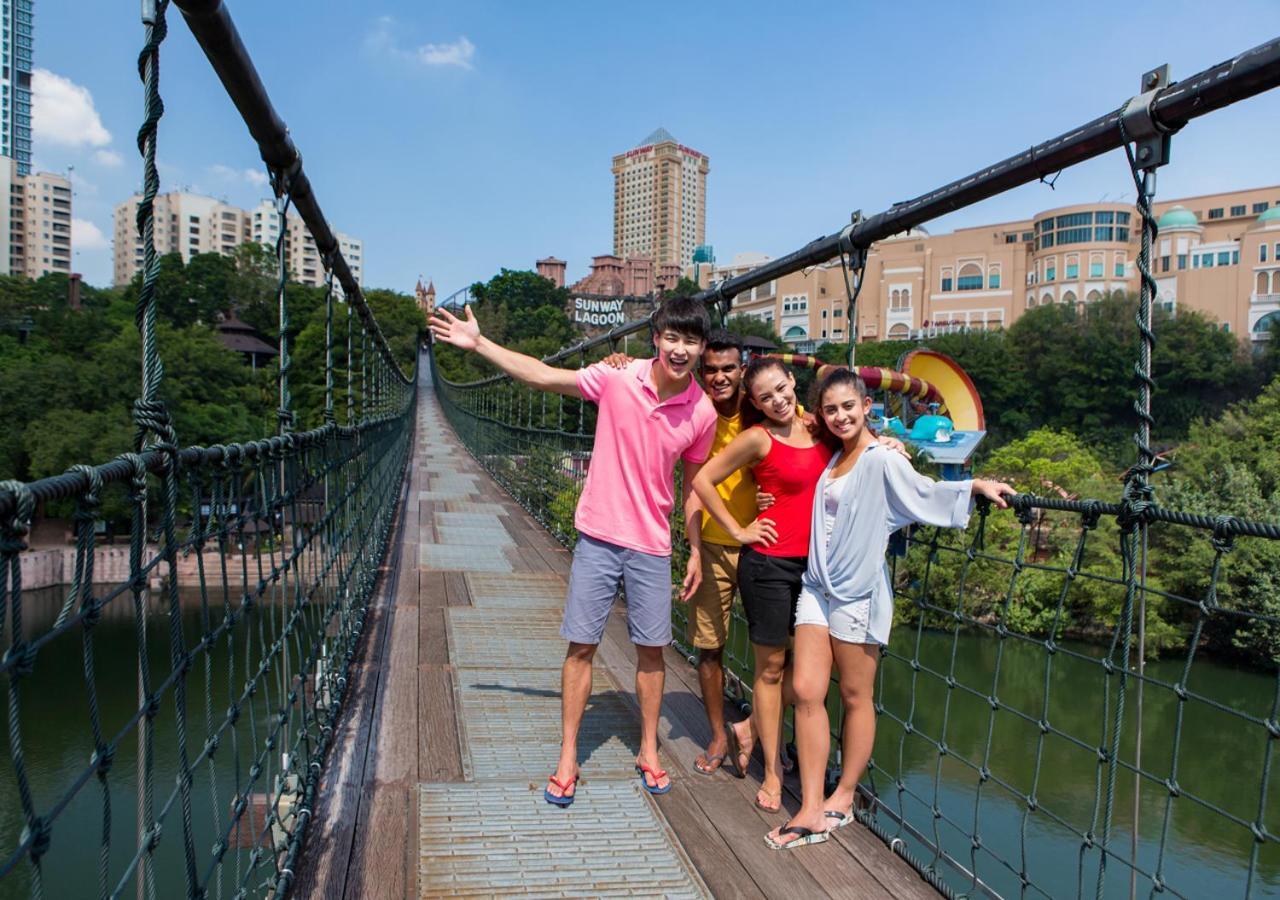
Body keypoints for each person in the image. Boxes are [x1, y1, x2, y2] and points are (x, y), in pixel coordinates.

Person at [429, 296, 716, 806]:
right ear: (655, 337)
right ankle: (567, 756)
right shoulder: (616, 379)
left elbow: (693, 486)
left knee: (653, 654)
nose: (680, 348)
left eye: (690, 340)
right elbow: (541, 376)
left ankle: (648, 750)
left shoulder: (702, 412)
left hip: (652, 545)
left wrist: (694, 549)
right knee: (580, 646)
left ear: (701, 348)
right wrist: (479, 344)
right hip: (599, 537)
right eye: (672, 337)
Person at [765, 368, 1015, 849]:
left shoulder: (881, 459)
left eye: (848, 407)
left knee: (856, 696)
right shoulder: (835, 456)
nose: (840, 416)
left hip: (858, 592)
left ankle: (843, 794)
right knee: (805, 689)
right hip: (818, 587)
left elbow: (925, 493)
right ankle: (811, 804)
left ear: (865, 407)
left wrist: (975, 485)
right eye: (831, 409)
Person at [692, 356, 833, 812]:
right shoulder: (757, 438)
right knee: (770, 670)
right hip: (768, 566)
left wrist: (890, 443)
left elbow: (860, 437)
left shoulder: (820, 428)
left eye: (781, 389)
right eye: (765, 397)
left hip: (816, 570)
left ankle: (748, 728)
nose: (778, 400)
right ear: (754, 403)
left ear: (794, 382)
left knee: (811, 676)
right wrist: (738, 530)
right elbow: (703, 479)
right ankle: (772, 772)